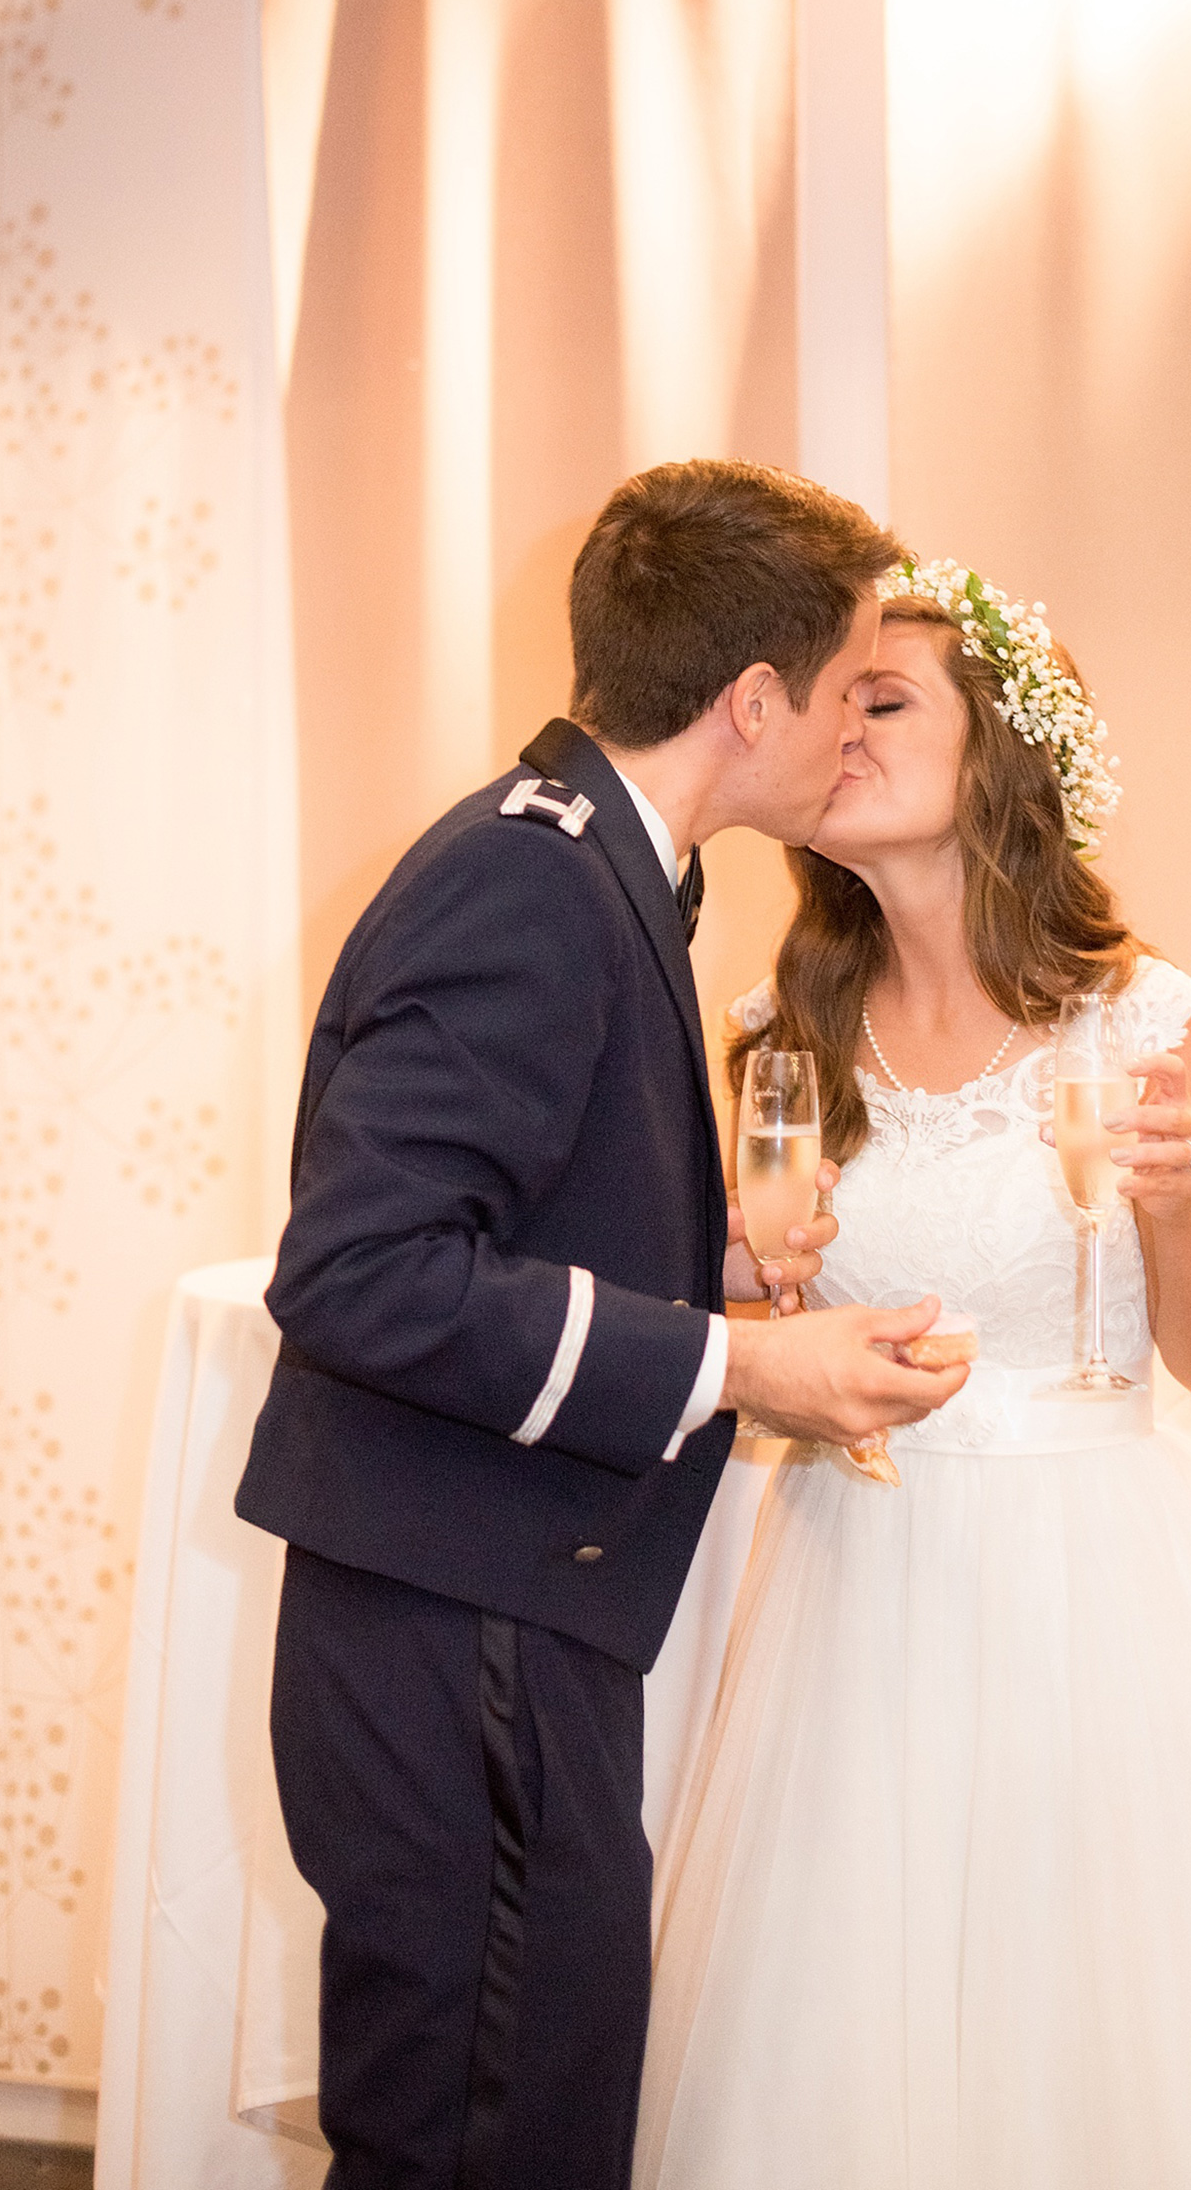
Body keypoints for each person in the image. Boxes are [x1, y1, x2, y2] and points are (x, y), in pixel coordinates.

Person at [634, 556, 1191, 2190]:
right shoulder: (785, 1033)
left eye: (885, 698)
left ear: (1000, 749)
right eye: (832, 698)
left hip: (1101, 1603)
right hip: (853, 1600)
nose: (839, 727)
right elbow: (759, 1338)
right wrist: (748, 1303)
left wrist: (1177, 1210)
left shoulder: (1141, 1021)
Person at [234, 464, 971, 2190]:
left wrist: (697, 1267)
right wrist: (738, 1361)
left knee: (514, 2120)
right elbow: (360, 1272)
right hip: (461, 1622)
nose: (859, 735)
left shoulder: (589, 865)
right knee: (489, 2140)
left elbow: (490, 1226)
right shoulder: (535, 884)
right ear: (754, 702)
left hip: (482, 1607)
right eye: (855, 691)